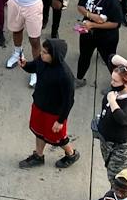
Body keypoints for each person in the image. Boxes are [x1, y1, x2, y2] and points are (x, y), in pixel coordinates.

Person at [17, 38, 80, 169]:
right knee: (38, 131)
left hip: (54, 113)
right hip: (39, 105)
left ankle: (71, 154)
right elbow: (33, 66)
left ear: (55, 55)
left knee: (58, 138)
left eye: (45, 52)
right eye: (42, 51)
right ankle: (38, 156)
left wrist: (60, 121)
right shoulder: (42, 61)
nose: (41, 54)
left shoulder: (65, 76)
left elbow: (69, 101)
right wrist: (25, 65)